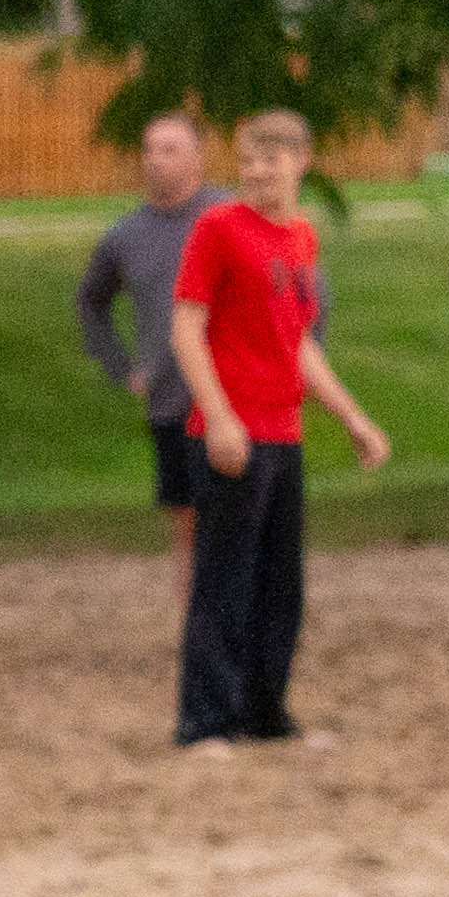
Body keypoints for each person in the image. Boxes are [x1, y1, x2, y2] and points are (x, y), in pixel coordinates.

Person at [167, 108, 388, 751]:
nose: (257, 172)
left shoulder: (300, 239)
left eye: (270, 159)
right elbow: (186, 329)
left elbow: (299, 345)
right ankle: (205, 721)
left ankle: (265, 714)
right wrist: (219, 417)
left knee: (279, 583)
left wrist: (352, 416)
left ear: (301, 161)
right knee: (223, 580)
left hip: (283, 432)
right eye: (247, 161)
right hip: (232, 433)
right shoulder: (218, 228)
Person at [77, 109, 220, 579]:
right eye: (149, 150)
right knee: (188, 523)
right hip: (170, 399)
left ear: (198, 157)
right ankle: (196, 621)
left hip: (233, 392)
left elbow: (300, 288)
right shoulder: (126, 237)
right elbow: (90, 302)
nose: (155, 159)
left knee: (238, 520)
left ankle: (247, 618)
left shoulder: (229, 218)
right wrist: (122, 366)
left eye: (170, 149)